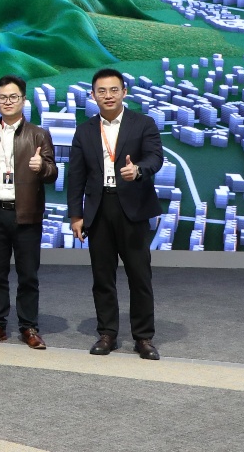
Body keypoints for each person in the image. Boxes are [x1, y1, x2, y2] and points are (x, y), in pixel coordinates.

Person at [68, 68, 163, 360]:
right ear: (93, 95)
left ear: (124, 92)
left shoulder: (143, 123)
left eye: (113, 90)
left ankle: (143, 337)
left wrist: (139, 170)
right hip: (99, 209)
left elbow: (155, 157)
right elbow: (76, 176)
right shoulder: (84, 130)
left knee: (139, 276)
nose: (108, 96)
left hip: (133, 208)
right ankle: (107, 333)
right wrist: (75, 216)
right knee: (102, 277)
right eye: (101, 91)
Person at [0, 75, 58, 350]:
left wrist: (41, 167)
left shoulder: (38, 134)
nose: (8, 102)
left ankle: (29, 327)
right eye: (3, 97)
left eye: (13, 97)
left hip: (26, 214)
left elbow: (53, 173)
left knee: (28, 275)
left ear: (23, 100)